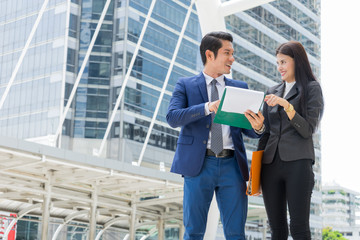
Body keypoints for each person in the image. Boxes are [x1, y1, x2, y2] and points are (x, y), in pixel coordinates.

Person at [166, 31, 265, 240]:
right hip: (198, 165)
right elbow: (173, 117)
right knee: (193, 231)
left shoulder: (240, 88)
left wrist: (258, 127)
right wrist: (207, 107)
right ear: (209, 55)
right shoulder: (185, 85)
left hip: (233, 167)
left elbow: (248, 130)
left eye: (233, 53)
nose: (232, 58)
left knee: (236, 233)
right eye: (227, 53)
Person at [258, 41, 324, 240]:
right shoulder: (272, 91)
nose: (280, 67)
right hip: (270, 165)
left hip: (298, 164)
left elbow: (307, 130)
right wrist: (258, 126)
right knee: (276, 229)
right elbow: (267, 133)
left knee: (299, 227)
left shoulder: (311, 89)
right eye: (278, 63)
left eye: (284, 62)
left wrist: (287, 107)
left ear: (297, 62)